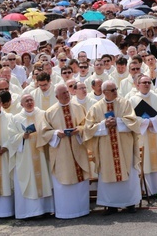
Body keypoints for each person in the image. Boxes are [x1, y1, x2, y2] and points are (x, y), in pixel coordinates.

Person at [84, 80, 142, 214]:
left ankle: (130, 203)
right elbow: (88, 129)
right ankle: (111, 205)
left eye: (116, 89)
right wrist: (104, 124)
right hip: (106, 149)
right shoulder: (96, 108)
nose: (116, 92)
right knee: (108, 173)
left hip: (124, 147)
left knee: (128, 173)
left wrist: (118, 121)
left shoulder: (125, 103)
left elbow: (134, 122)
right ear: (104, 92)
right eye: (113, 90)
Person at [43, 83, 92, 219]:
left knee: (79, 181)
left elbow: (86, 125)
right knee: (63, 181)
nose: (66, 95)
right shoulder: (50, 112)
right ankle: (65, 212)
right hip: (61, 153)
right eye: (63, 93)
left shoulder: (78, 107)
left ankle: (82, 210)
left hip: (77, 148)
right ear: (56, 96)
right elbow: (44, 132)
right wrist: (55, 134)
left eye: (67, 92)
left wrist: (79, 130)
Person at [9, 94, 54, 219]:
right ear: (21, 104)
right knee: (29, 181)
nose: (29, 102)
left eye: (31, 100)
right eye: (26, 101)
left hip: (41, 154)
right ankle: (30, 212)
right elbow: (11, 137)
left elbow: (49, 130)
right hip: (25, 156)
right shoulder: (16, 118)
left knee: (44, 179)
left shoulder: (43, 114)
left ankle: (46, 209)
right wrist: (22, 136)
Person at [128, 75, 157, 196]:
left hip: (156, 135)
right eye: (144, 82)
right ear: (138, 85)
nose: (147, 84)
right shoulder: (131, 100)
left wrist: (152, 122)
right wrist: (146, 122)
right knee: (145, 162)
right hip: (142, 137)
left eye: (148, 82)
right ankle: (146, 190)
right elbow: (130, 118)